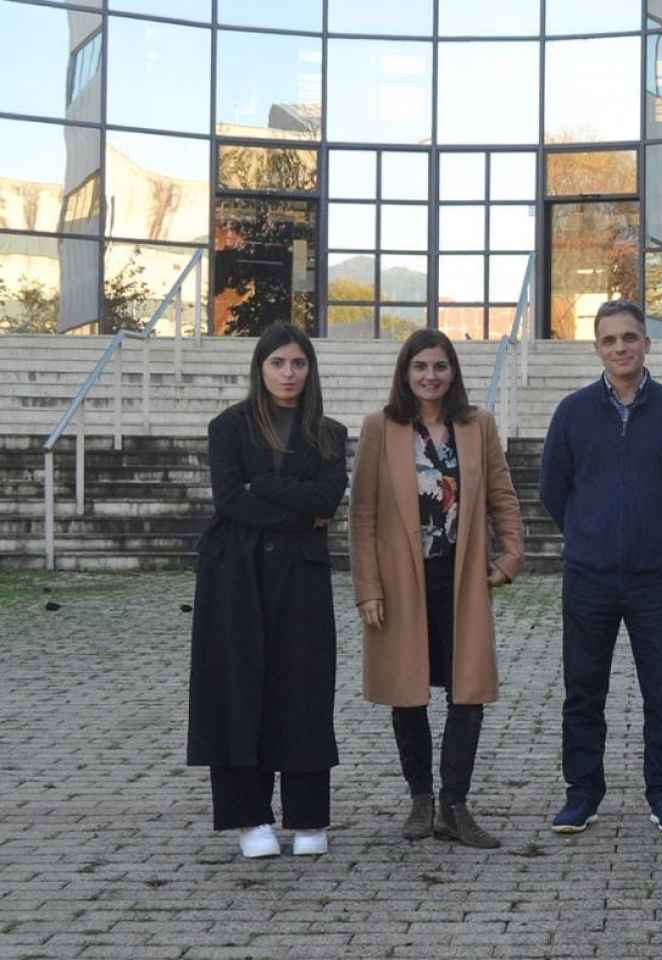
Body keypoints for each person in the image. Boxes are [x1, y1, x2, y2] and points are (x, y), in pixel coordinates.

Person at [348, 330, 524, 849]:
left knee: (467, 692)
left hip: (462, 575)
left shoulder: (476, 426)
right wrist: (368, 587)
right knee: (409, 691)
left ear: (454, 372)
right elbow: (362, 515)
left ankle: (456, 804)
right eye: (420, 366)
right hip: (402, 580)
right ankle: (420, 801)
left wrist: (510, 556)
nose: (430, 376)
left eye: (440, 366)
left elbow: (501, 495)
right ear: (405, 373)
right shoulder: (381, 428)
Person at [540, 301, 662, 836]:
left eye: (629, 338)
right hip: (588, 576)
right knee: (583, 690)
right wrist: (588, 532)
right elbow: (553, 490)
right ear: (597, 349)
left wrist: (658, 531)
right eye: (610, 340)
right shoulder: (572, 412)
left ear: (646, 343)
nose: (620, 348)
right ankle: (582, 793)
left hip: (655, 575)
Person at [186, 324, 348, 859]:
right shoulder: (227, 427)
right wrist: (300, 511)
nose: (287, 373)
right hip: (234, 574)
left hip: (300, 577)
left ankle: (309, 818)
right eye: (277, 362)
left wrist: (269, 488)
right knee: (237, 689)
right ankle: (248, 816)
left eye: (298, 363)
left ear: (310, 369)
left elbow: (329, 496)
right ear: (260, 367)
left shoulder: (328, 433)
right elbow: (231, 499)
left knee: (303, 687)